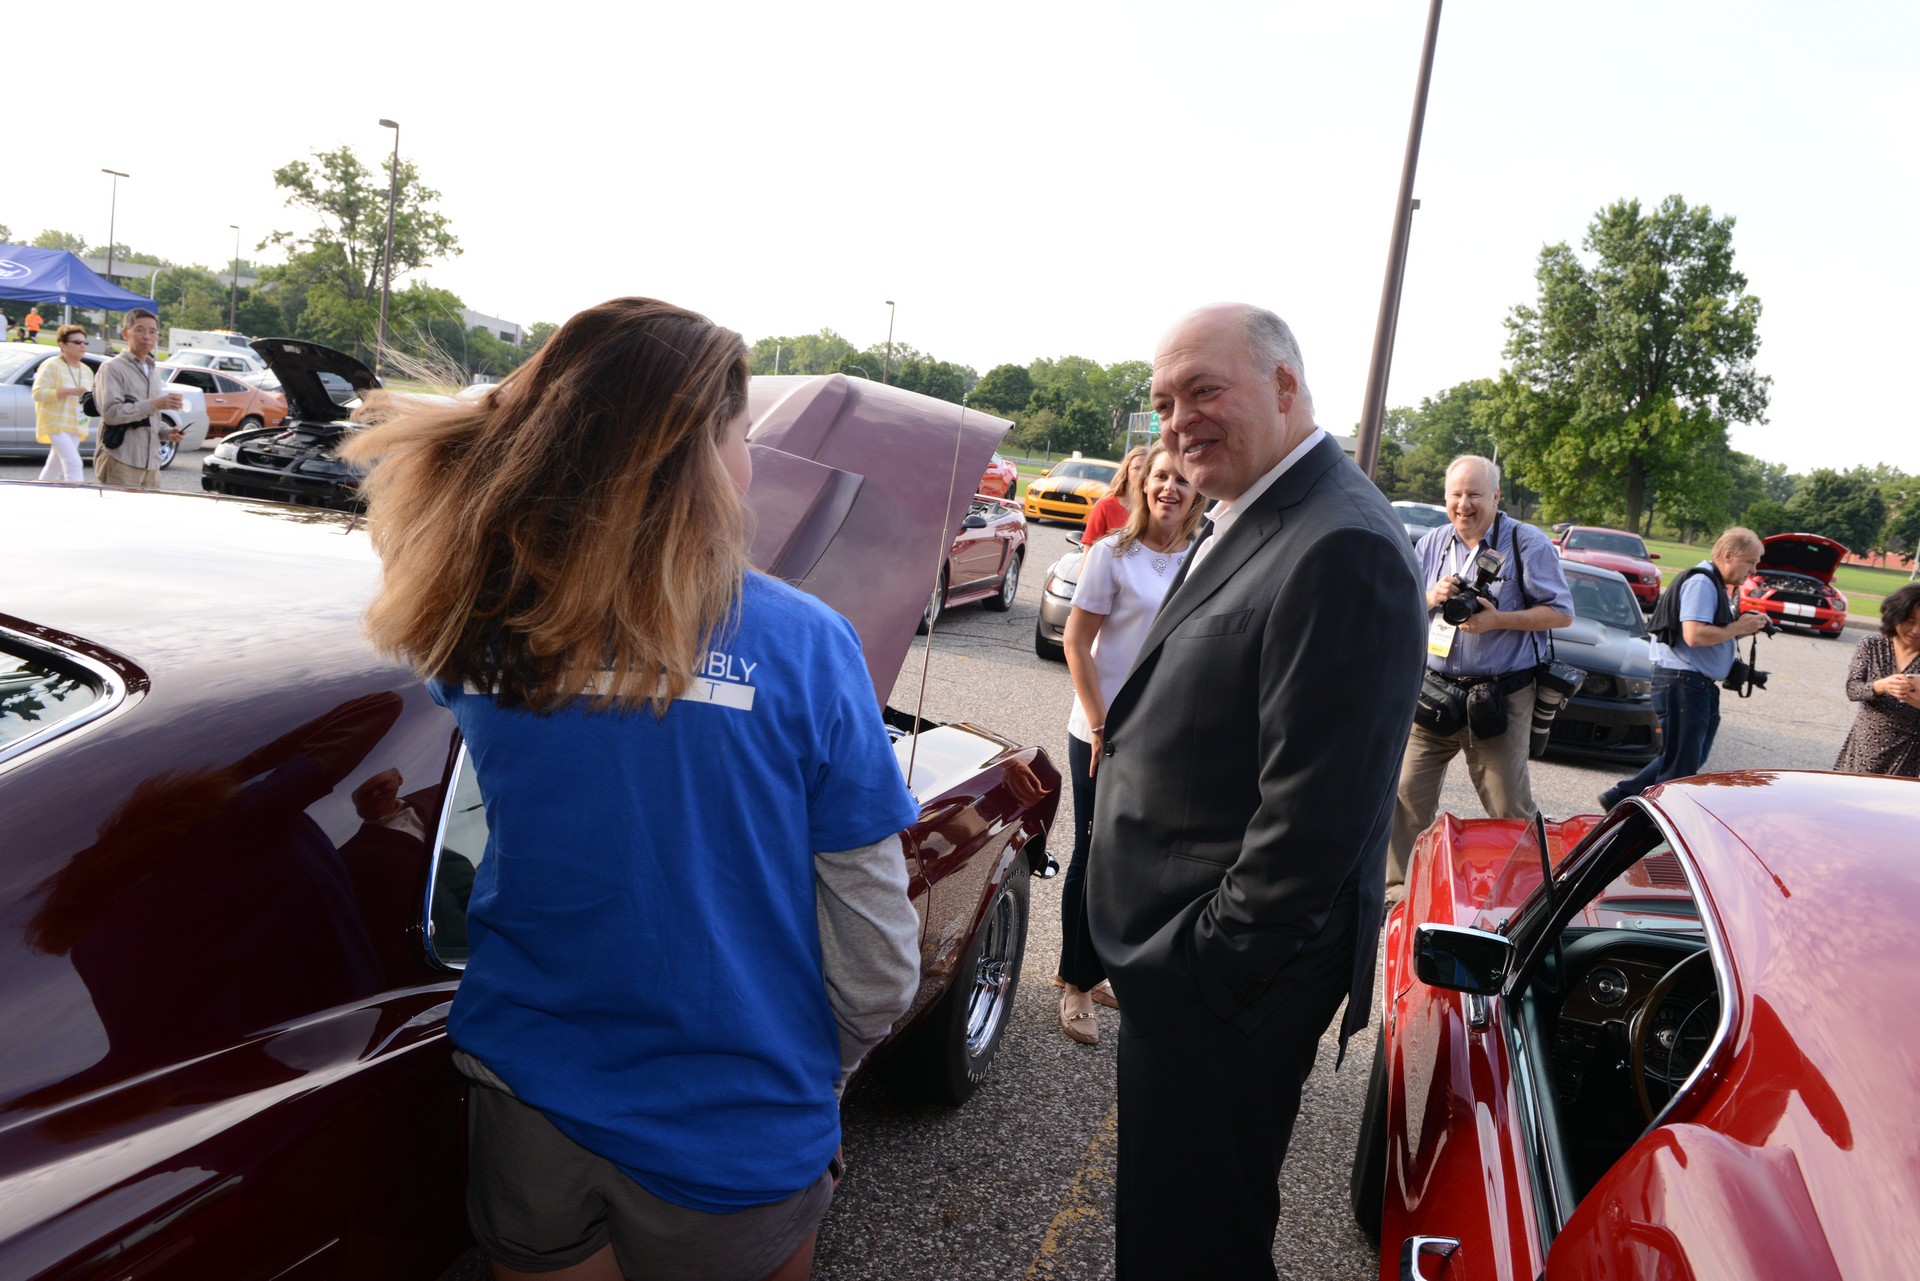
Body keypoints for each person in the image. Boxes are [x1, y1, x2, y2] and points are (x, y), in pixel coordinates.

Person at [339, 297, 923, 1281]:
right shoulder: (808, 644)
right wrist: (826, 1073)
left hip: (529, 1104)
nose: (751, 464)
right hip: (734, 1121)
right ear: (696, 455)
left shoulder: (477, 622)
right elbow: (875, 954)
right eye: (742, 437)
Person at [1086, 304, 1424, 1278]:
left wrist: (1204, 970)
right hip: (1193, 970)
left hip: (1223, 990)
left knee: (1193, 1245)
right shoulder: (1258, 508)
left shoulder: (1340, 542)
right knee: (1176, 1229)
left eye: (1203, 390)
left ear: (1284, 385)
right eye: (1162, 402)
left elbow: (1313, 823)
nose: (1177, 421)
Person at [1056, 444, 1206, 1045]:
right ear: (1145, 484)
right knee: (1093, 852)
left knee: (1142, 859)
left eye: (1183, 480)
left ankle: (1106, 968)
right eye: (1161, 476)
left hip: (1164, 735)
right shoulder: (1111, 553)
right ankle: (1075, 982)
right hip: (1102, 732)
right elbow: (1076, 643)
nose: (1171, 487)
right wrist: (1099, 725)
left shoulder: (1204, 558)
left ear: (1197, 493)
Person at [1388, 456, 1574, 887]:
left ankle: (1530, 897)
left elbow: (1562, 613)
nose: (1463, 504)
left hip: (1500, 696)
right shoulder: (1432, 542)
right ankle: (1399, 894)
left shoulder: (1526, 543)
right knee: (1405, 796)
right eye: (1455, 495)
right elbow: (1401, 605)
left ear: (1496, 496)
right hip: (1434, 692)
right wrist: (1431, 597)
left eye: (1474, 494)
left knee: (1508, 806)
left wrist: (1497, 620)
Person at [1600, 527, 1768, 808]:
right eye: (1750, 562)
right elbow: (1694, 635)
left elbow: (1705, 634)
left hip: (1692, 683)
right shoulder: (1702, 582)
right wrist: (1739, 627)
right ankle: (1651, 822)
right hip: (1683, 682)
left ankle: (1619, 797)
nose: (1753, 570)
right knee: (1681, 768)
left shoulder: (1713, 582)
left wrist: (1744, 628)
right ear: (1728, 555)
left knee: (1685, 758)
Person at [1833, 584, 1920, 777]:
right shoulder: (1872, 645)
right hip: (1864, 744)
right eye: (1910, 621)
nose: (1916, 630)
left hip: (1907, 752)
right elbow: (1853, 690)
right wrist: (1881, 686)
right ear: (1896, 616)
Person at [93, 308, 185, 489]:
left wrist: (167, 432)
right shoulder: (112, 368)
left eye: (152, 332)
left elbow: (150, 418)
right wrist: (153, 404)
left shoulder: (153, 371)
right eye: (140, 330)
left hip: (151, 464)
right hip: (121, 459)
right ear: (125, 333)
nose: (147, 337)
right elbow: (111, 413)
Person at [31, 324, 94, 483]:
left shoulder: (87, 370)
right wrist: (68, 391)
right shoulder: (51, 365)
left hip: (77, 423)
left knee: (55, 466)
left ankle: (39, 492)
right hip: (55, 423)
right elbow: (38, 393)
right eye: (77, 342)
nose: (82, 346)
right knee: (74, 463)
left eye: (85, 342)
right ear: (63, 345)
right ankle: (76, 495)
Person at [1081, 444, 1149, 544]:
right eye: (1137, 468)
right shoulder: (1105, 506)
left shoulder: (1154, 510)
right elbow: (1089, 546)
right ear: (1126, 471)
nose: (1142, 473)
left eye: (1147, 469)